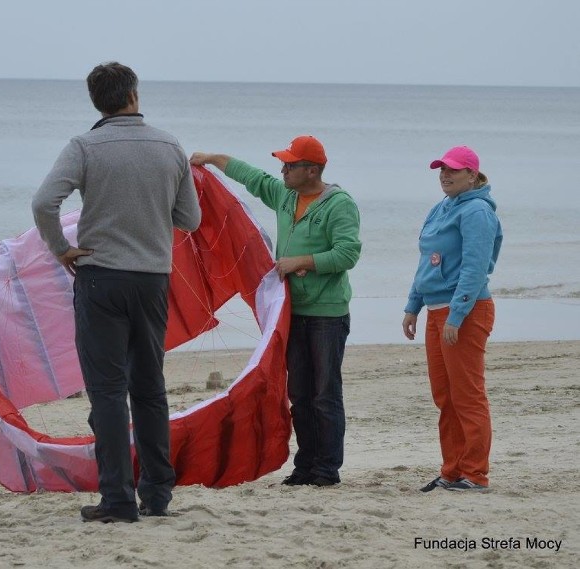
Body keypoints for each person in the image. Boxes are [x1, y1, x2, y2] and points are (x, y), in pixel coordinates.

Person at [32, 62, 201, 523]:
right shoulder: (169, 145)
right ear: (134, 95)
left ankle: (118, 499)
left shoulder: (84, 146)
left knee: (107, 392)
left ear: (96, 102)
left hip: (100, 276)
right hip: (151, 279)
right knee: (149, 388)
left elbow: (44, 202)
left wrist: (61, 249)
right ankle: (158, 494)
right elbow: (191, 219)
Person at [190, 136, 361, 487]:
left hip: (327, 314)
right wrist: (212, 158)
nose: (282, 169)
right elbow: (253, 178)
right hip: (291, 311)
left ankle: (327, 469)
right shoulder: (286, 194)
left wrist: (303, 262)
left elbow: (348, 254)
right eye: (283, 163)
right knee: (298, 392)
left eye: (290, 164)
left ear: (311, 170)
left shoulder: (339, 204)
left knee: (324, 393)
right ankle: (305, 465)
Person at [403, 146, 502, 492]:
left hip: (466, 311)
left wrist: (457, 315)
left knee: (467, 395)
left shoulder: (476, 211)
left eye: (454, 171)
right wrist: (413, 305)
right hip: (436, 311)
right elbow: (427, 259)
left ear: (472, 175)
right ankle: (452, 470)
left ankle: (475, 474)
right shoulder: (440, 208)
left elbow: (475, 269)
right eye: (442, 170)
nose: (445, 175)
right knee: (445, 396)